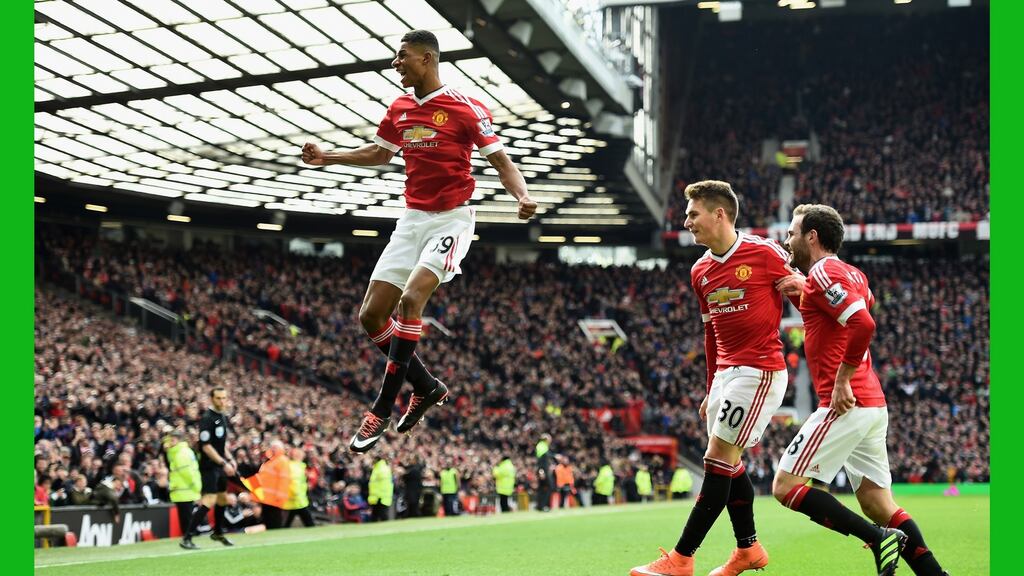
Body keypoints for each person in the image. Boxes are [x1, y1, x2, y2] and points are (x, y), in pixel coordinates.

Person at [301, 29, 537, 453]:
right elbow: (379, 153)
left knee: (411, 301)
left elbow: (502, 162)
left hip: (451, 220)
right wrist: (328, 156)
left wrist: (522, 196)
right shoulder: (400, 108)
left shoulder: (465, 107)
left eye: (402, 56)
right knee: (370, 316)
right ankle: (426, 387)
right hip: (411, 220)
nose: (396, 64)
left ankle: (382, 407)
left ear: (427, 59)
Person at [631, 181, 798, 576]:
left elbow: (805, 296)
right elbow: (710, 333)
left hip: (759, 371)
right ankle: (749, 550)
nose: (686, 222)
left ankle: (681, 558)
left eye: (693, 214)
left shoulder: (765, 252)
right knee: (730, 465)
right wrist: (711, 386)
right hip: (726, 374)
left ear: (718, 213)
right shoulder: (700, 270)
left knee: (716, 460)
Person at [772, 204, 947, 576]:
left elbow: (863, 325)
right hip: (871, 404)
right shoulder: (852, 274)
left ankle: (876, 538)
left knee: (785, 486)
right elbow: (833, 323)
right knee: (876, 501)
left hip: (846, 402)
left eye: (792, 232)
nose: (787, 240)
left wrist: (841, 380)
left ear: (812, 236)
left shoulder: (822, 271)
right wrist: (801, 296)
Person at [185, 387, 236, 547]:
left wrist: (230, 458)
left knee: (223, 499)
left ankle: (218, 533)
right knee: (209, 499)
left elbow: (220, 444)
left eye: (224, 398)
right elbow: (206, 446)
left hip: (220, 465)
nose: (222, 401)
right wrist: (223, 463)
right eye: (218, 398)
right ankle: (187, 537)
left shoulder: (222, 416)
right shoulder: (207, 418)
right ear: (211, 399)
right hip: (209, 466)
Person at [163, 426, 202, 550]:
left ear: (179, 440)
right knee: (186, 519)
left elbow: (188, 473)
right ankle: (187, 540)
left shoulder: (180, 453)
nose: (170, 443)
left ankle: (187, 540)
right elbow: (188, 473)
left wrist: (195, 487)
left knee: (186, 519)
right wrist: (196, 487)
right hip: (184, 491)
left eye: (172, 440)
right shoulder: (179, 452)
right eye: (170, 440)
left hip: (185, 491)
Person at [283, 447, 315, 528]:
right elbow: (295, 482)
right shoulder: (295, 467)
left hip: (295, 500)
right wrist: (296, 494)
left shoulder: (296, 466)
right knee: (309, 523)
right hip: (297, 499)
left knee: (286, 523)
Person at [535, 434, 554, 512]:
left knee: (542, 488)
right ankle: (544, 505)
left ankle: (540, 506)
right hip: (543, 470)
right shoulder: (542, 446)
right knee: (549, 486)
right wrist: (541, 471)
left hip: (543, 470)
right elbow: (541, 461)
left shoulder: (541, 446)